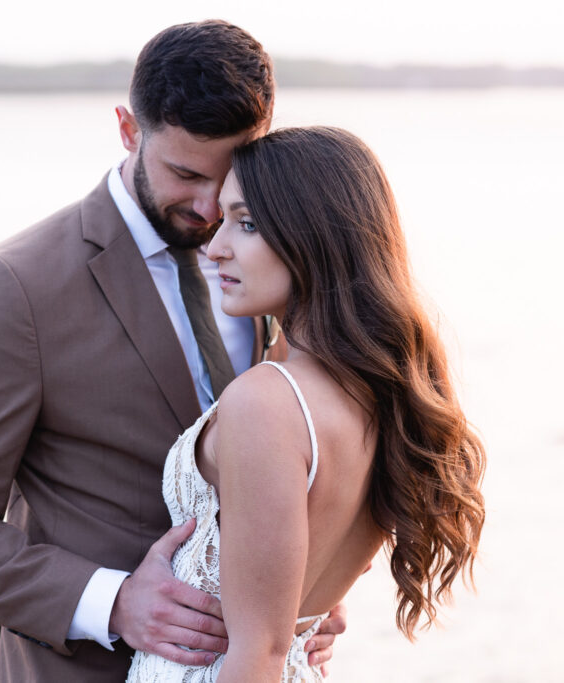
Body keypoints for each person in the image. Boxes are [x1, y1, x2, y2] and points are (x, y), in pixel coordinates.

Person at [0, 21, 343, 683]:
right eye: (185, 173)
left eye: (231, 176)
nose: (211, 205)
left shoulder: (274, 264)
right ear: (129, 130)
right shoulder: (15, 287)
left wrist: (310, 589)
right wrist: (113, 600)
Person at [125, 126, 487, 682]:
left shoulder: (266, 402)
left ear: (313, 236)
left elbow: (259, 653)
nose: (215, 245)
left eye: (245, 223)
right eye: (222, 220)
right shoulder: (383, 394)